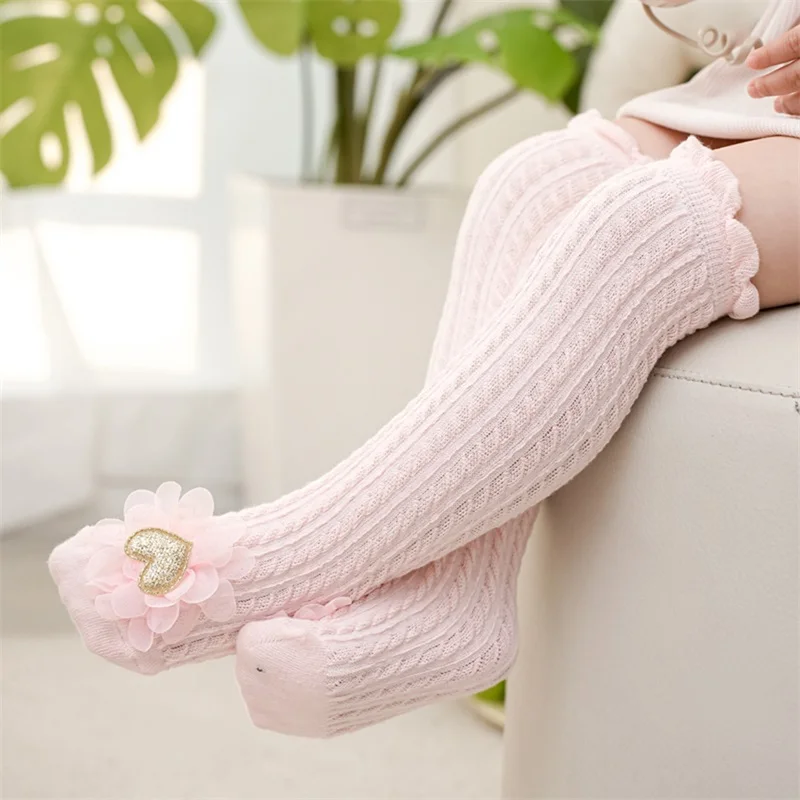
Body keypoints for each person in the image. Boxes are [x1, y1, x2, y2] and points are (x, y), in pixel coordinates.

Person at [50, 0, 799, 737]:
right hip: (762, 96)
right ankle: (455, 598)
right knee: (531, 181)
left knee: (651, 224)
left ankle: (275, 557)